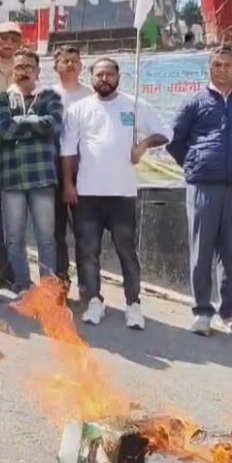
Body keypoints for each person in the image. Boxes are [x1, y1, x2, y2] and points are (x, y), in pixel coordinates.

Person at [62, 58, 168, 330]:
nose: (104, 78)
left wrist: (143, 145)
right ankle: (93, 301)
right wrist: (68, 184)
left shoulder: (134, 106)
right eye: (99, 74)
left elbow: (166, 132)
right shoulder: (79, 109)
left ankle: (133, 305)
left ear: (119, 77)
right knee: (87, 252)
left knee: (126, 252)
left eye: (110, 74)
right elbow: (68, 151)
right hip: (87, 195)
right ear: (92, 77)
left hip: (122, 195)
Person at [167, 46, 232, 337]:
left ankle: (230, 313)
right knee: (201, 251)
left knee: (230, 252)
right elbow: (174, 140)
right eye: (217, 64)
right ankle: (202, 312)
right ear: (209, 68)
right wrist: (195, 163)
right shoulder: (195, 102)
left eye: (227, 65)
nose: (222, 69)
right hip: (202, 187)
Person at [0, 49, 63, 296]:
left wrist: (21, 121)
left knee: (46, 237)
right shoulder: (2, 100)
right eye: (19, 67)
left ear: (37, 71)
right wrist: (34, 122)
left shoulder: (50, 97)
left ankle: (48, 288)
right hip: (11, 178)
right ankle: (23, 285)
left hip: (41, 177)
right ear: (13, 71)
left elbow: (53, 125)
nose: (24, 71)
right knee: (14, 237)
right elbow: (3, 130)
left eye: (29, 67)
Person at [0, 21, 24, 289]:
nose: (8, 43)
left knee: (17, 210)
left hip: (20, 147)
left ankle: (18, 268)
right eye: (3, 38)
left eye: (13, 39)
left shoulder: (26, 67)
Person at [52, 45, 92, 287]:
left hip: (85, 169)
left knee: (85, 231)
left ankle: (87, 284)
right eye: (65, 61)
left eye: (74, 60)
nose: (70, 65)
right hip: (53, 167)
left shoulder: (91, 95)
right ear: (55, 66)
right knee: (56, 230)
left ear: (81, 66)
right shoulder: (46, 94)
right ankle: (60, 281)